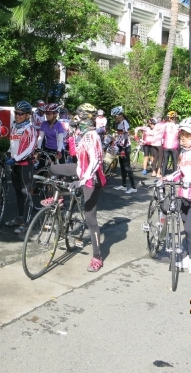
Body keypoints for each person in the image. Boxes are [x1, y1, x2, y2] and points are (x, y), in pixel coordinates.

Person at [50, 103, 106, 272]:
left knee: (90, 219)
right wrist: (72, 134)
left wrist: (82, 181)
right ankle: (58, 198)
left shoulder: (92, 136)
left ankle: (97, 257)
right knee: (52, 169)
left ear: (87, 118)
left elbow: (96, 161)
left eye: (79, 115)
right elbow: (74, 153)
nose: (76, 117)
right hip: (80, 169)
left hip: (91, 178)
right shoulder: (81, 134)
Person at [162, 117, 191, 276]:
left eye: (187, 135)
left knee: (190, 228)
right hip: (183, 195)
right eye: (182, 134)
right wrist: (168, 177)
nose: (183, 137)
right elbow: (180, 171)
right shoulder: (183, 152)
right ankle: (188, 256)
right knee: (186, 228)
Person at [4, 101, 37, 234]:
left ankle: (26, 222)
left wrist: (16, 158)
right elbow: (12, 145)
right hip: (15, 165)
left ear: (28, 115)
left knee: (26, 193)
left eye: (20, 113)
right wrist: (8, 153)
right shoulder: (14, 127)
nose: (17, 115)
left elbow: (30, 148)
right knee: (18, 193)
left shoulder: (31, 129)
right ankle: (20, 218)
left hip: (25, 165)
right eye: (16, 113)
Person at [111, 106, 137, 193]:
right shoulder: (120, 123)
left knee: (127, 167)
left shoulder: (124, 122)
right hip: (120, 146)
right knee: (122, 166)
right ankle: (123, 185)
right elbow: (120, 136)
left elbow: (126, 137)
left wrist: (123, 149)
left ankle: (133, 187)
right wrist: (115, 143)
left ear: (120, 115)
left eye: (115, 116)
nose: (114, 118)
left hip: (125, 147)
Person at [161, 111, 180, 176]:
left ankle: (162, 176)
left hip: (166, 146)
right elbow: (179, 135)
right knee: (175, 161)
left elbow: (162, 135)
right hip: (174, 146)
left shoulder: (165, 125)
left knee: (165, 161)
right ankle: (175, 177)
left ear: (169, 118)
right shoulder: (178, 126)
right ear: (175, 118)